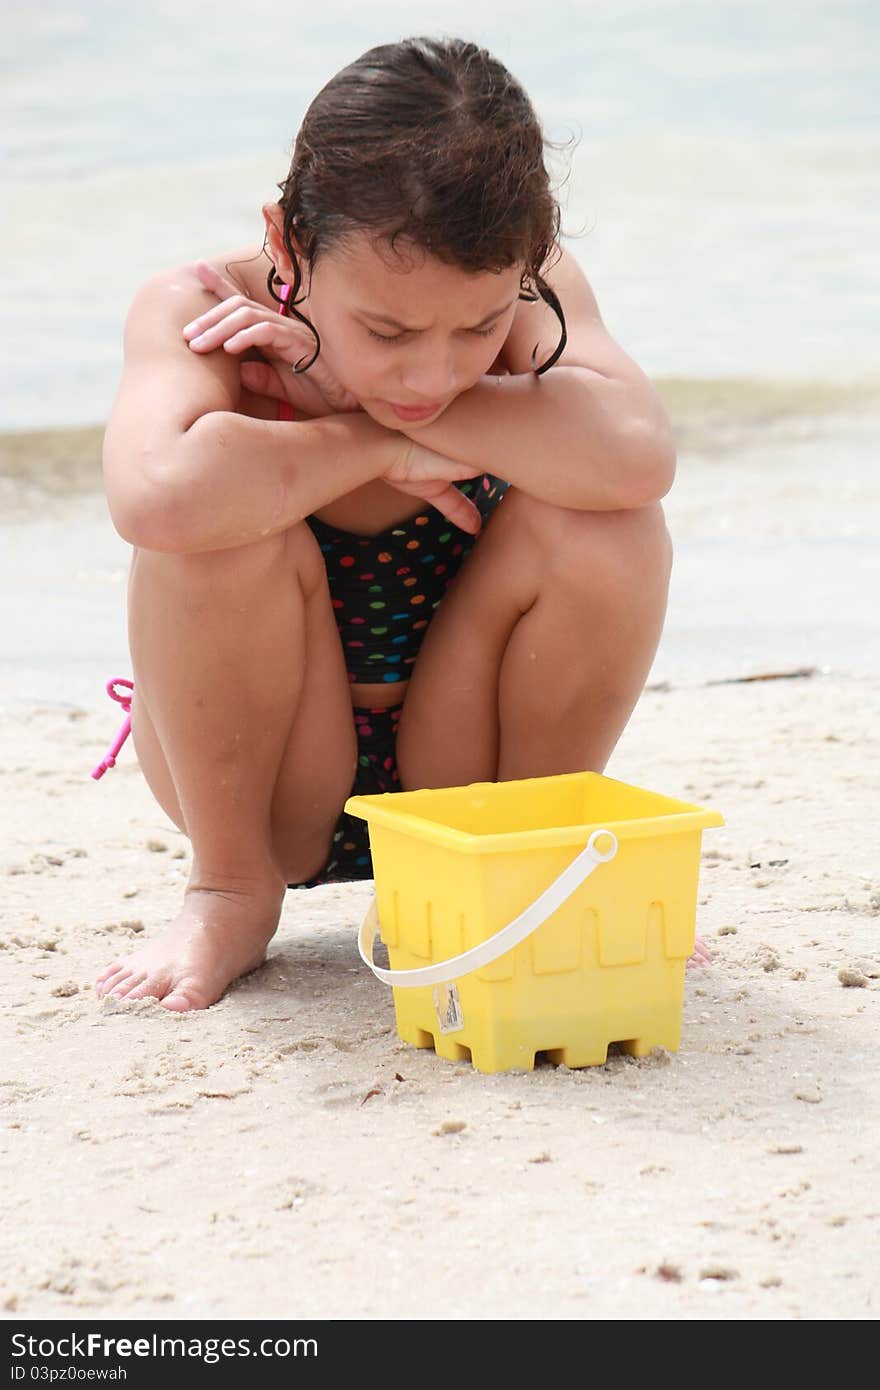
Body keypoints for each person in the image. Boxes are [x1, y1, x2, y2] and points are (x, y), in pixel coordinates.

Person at [95, 35, 692, 1014]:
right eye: (387, 332)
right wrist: (372, 446)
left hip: (472, 760)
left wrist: (351, 403)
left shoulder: (535, 289)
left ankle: (530, 865)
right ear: (288, 242)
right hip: (273, 766)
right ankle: (229, 889)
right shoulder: (205, 305)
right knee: (211, 528)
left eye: (477, 328)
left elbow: (635, 450)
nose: (433, 374)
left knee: (611, 523)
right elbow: (154, 495)